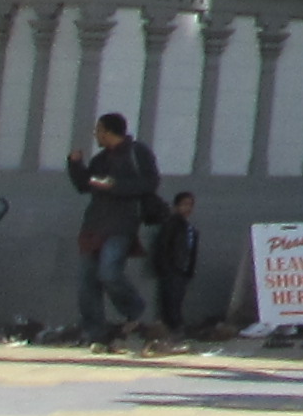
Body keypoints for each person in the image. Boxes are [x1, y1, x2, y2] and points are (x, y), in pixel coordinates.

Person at [66, 111, 162, 344]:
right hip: (94, 225)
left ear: (109, 132)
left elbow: (150, 182)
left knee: (109, 272)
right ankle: (95, 331)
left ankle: (135, 310)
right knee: (87, 283)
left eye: (99, 130)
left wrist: (115, 185)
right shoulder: (100, 159)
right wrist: (75, 165)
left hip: (122, 224)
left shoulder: (137, 153)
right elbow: (85, 185)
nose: (96, 136)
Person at [152, 190, 202, 334]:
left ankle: (175, 326)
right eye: (184, 204)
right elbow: (163, 246)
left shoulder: (189, 228)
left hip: (182, 270)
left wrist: (189, 270)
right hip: (172, 269)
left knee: (177, 298)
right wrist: (165, 267)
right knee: (170, 300)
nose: (188, 208)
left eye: (190, 205)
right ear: (176, 206)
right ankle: (173, 326)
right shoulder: (172, 224)